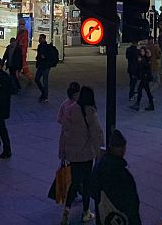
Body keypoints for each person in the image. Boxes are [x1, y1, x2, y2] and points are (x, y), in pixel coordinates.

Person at [59, 86, 104, 224]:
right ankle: (85, 212)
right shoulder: (89, 112)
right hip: (85, 154)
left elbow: (64, 133)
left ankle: (67, 208)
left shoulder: (70, 109)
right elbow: (96, 134)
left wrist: (62, 153)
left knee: (74, 182)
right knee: (86, 182)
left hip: (72, 154)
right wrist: (100, 153)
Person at [90, 129, 141, 225]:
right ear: (123, 149)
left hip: (104, 216)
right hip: (120, 217)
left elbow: (93, 191)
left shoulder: (99, 166)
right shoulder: (123, 174)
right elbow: (132, 203)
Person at [130, 47, 154, 111]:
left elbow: (145, 67)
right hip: (144, 77)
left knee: (140, 90)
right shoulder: (145, 58)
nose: (142, 52)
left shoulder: (144, 59)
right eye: (141, 51)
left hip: (145, 78)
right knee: (147, 91)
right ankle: (151, 105)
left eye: (143, 51)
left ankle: (138, 104)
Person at [35, 33, 56, 103]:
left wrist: (43, 57)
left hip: (45, 66)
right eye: (39, 38)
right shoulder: (40, 46)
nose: (39, 39)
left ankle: (45, 95)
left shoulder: (46, 47)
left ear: (44, 39)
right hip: (42, 66)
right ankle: (44, 93)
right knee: (39, 79)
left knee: (44, 81)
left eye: (40, 38)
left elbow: (45, 57)